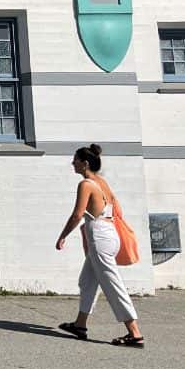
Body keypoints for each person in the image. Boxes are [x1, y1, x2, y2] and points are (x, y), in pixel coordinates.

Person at [55, 144, 145, 348]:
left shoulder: (86, 184)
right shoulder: (102, 182)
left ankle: (135, 333)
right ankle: (80, 324)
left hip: (100, 235)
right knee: (87, 280)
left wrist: (62, 236)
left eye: (75, 159)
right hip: (109, 234)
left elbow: (77, 214)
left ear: (85, 163)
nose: (72, 163)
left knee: (112, 284)